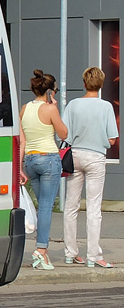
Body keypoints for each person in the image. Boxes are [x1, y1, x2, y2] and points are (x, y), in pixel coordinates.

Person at [61, 66, 119, 268]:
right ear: (101, 85)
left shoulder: (73, 105)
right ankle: (94, 255)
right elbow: (112, 139)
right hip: (95, 157)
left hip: (74, 155)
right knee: (94, 208)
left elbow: (65, 135)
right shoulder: (106, 107)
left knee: (71, 205)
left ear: (84, 83)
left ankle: (70, 252)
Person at [19, 69, 68, 270]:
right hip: (48, 158)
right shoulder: (50, 109)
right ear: (50, 91)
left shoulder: (24, 109)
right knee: (47, 206)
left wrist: (20, 167)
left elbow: (21, 140)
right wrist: (55, 107)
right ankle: (41, 250)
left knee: (42, 206)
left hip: (30, 160)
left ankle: (43, 253)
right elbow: (64, 133)